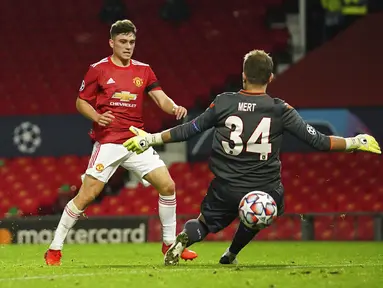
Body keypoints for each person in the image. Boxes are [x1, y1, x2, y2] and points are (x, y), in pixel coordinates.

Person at [123, 49, 381, 265]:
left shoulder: (224, 102)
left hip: (226, 187)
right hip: (264, 188)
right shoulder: (281, 109)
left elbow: (190, 129)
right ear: (270, 76)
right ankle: (231, 254)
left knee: (203, 223)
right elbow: (319, 141)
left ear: (244, 75)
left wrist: (151, 138)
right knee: (260, 212)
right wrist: (354, 142)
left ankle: (184, 240)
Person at [44, 19, 197, 265]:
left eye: (132, 42)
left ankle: (169, 245)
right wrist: (96, 116)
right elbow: (80, 101)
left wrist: (174, 107)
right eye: (123, 42)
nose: (128, 46)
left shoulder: (144, 70)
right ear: (111, 42)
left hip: (136, 140)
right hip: (109, 142)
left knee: (168, 186)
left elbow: (160, 98)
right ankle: (54, 248)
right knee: (87, 196)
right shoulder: (98, 69)